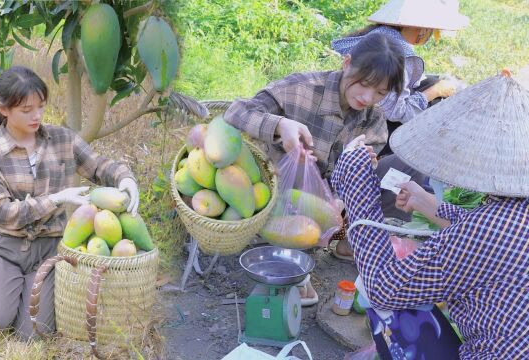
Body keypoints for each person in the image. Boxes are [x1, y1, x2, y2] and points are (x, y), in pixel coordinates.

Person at [331, 72, 529, 358]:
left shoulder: (490, 228)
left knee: (395, 304)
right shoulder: (506, 220)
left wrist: (359, 183)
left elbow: (384, 288)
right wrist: (429, 204)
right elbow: (498, 238)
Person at [223, 32, 405, 301]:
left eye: (380, 92)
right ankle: (293, 264)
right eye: (364, 84)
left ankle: (346, 240)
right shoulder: (301, 88)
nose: (367, 97)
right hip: (277, 192)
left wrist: (352, 180)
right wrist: (280, 125)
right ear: (346, 63)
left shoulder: (373, 119)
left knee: (400, 170)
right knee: (300, 170)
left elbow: (364, 166)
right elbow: (236, 112)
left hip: (331, 201)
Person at [0, 66, 140, 340]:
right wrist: (55, 199)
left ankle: (29, 290)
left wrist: (125, 179)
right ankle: (4, 286)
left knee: (34, 334)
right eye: (26, 110)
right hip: (8, 248)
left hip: (50, 248)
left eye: (40, 107)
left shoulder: (61, 139)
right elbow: (3, 214)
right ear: (4, 110)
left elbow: (98, 166)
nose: (36, 115)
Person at [331, 0, 470, 223]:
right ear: (422, 29)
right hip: (372, 129)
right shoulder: (400, 56)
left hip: (353, 128)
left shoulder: (377, 37)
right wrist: (435, 91)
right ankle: (383, 217)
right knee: (417, 149)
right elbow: (396, 110)